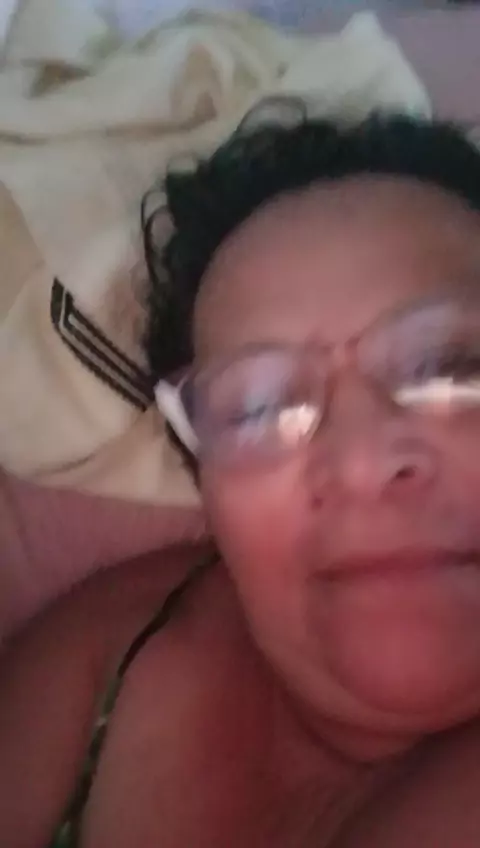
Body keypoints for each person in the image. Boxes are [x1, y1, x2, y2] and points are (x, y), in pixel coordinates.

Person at [3, 102, 480, 848]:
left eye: (450, 367)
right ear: (206, 483)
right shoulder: (118, 648)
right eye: (259, 408)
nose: (360, 460)